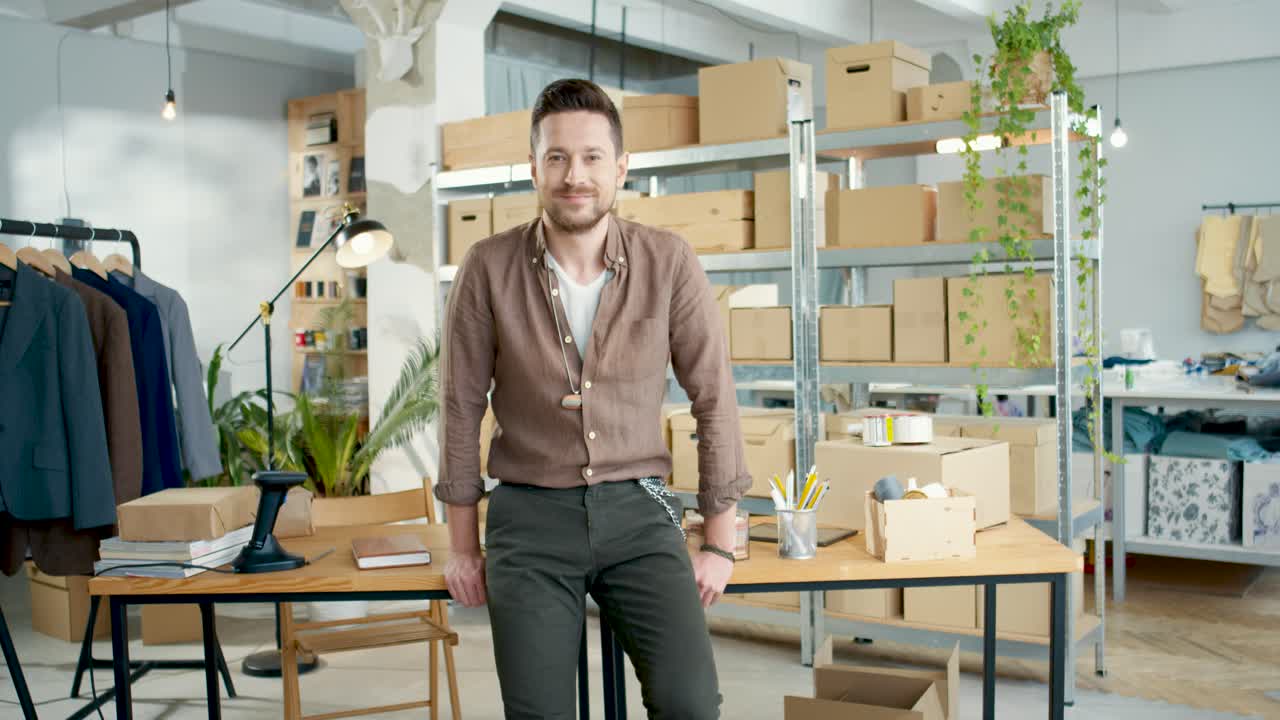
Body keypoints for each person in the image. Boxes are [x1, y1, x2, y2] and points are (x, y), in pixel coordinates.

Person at [436, 78, 751, 719]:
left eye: (591, 157)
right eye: (556, 158)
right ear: (534, 168)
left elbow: (713, 396)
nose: (573, 174)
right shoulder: (486, 266)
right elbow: (461, 406)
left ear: (621, 168)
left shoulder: (670, 261)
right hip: (528, 522)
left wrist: (719, 541)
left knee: (692, 706)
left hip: (640, 514)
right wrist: (463, 546)